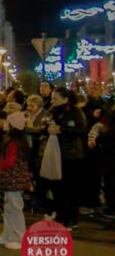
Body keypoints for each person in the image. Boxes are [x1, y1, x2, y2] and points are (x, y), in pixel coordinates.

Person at [0, 112, 32, 249]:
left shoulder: (13, 143)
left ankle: (20, 236)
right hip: (11, 180)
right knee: (9, 208)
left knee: (15, 209)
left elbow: (9, 162)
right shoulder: (15, 141)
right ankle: (8, 234)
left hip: (14, 180)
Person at [47, 87, 87, 231]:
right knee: (58, 186)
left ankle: (71, 218)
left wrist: (62, 130)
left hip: (72, 155)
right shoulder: (53, 112)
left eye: (55, 98)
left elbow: (82, 130)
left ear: (65, 99)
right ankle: (60, 214)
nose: (53, 101)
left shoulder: (75, 112)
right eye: (52, 98)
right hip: (56, 153)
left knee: (71, 187)